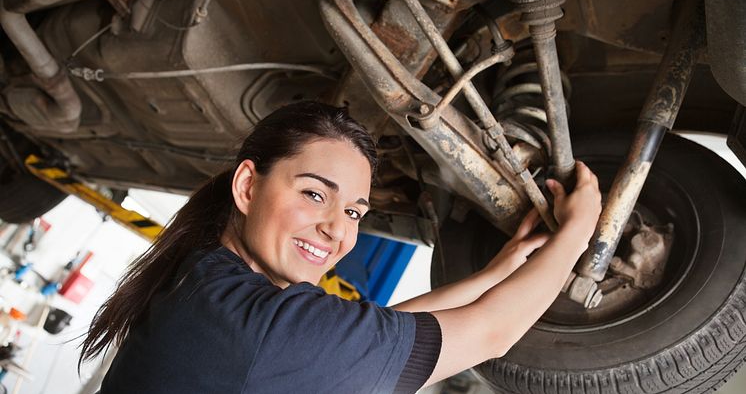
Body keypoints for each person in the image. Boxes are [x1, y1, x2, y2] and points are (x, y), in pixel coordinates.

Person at [80, 101, 602, 393]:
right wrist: (578, 232)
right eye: (313, 194)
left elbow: (379, 336)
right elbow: (491, 334)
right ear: (247, 186)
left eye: (354, 211)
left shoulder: (205, 285)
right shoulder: (259, 325)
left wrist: (495, 273)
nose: (337, 229)